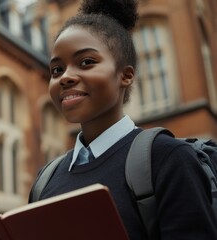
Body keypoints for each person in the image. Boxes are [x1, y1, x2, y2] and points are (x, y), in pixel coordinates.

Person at [29, 0, 217, 239]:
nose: (65, 77)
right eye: (57, 70)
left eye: (86, 62)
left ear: (125, 75)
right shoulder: (46, 180)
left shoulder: (167, 159)